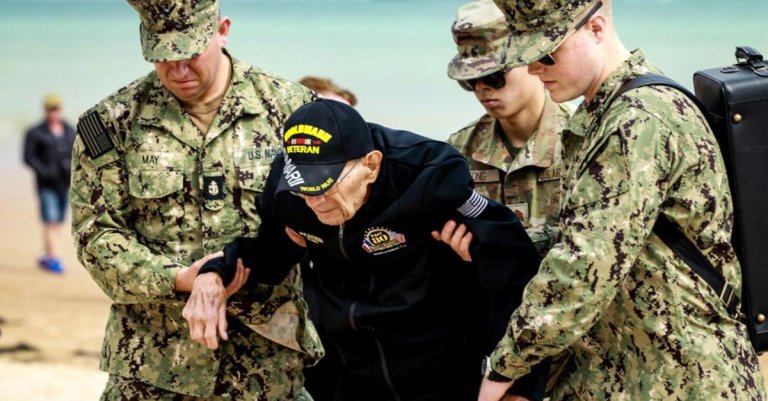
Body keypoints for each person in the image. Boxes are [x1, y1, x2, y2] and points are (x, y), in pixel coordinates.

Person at [439, 0, 766, 400]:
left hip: (680, 378)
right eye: (525, 57)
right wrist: (496, 245)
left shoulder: (637, 119)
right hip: (621, 372)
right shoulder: (602, 112)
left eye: (545, 53)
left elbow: (583, 269)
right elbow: (587, 238)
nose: (535, 68)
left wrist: (503, 370)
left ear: (596, 27)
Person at [183, 98, 549, 401]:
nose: (316, 202)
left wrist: (519, 383)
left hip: (442, 374)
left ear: (370, 166)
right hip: (349, 378)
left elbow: (515, 271)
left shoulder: (429, 179)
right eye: (305, 188)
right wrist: (214, 275)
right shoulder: (289, 196)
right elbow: (268, 254)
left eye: (327, 185)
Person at [69, 0, 322, 399]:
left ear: (222, 30)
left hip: (266, 365)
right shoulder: (111, 124)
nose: (178, 70)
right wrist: (178, 278)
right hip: (152, 365)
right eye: (163, 56)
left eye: (189, 52)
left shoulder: (292, 110)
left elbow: (329, 215)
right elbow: (96, 237)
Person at [446, 0, 572, 257]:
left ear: (531, 59)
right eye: (470, 80)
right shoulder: (459, 150)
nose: (482, 88)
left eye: (495, 75)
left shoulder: (582, 139)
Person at [23, 94, 76, 274]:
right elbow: (28, 157)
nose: (54, 112)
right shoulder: (35, 132)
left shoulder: (70, 130)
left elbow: (78, 154)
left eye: (56, 108)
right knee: (50, 219)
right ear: (45, 110)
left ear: (60, 109)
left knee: (58, 221)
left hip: (65, 183)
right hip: (46, 183)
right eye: (50, 109)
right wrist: (44, 171)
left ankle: (46, 256)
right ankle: (53, 258)